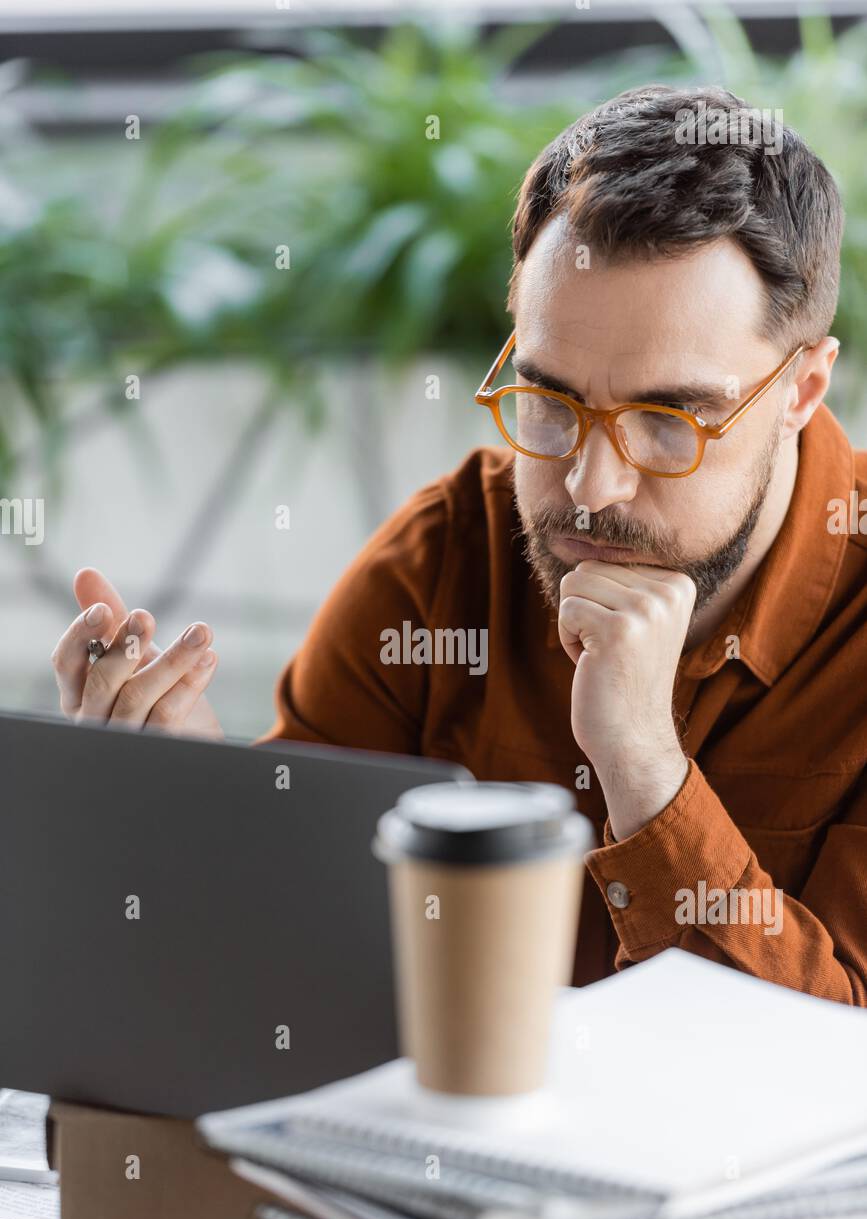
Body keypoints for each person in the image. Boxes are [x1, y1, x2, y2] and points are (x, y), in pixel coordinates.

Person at [50, 87, 867, 1003]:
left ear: (802, 389)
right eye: (549, 401)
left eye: (670, 419)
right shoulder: (442, 563)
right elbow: (291, 975)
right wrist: (196, 808)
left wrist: (643, 768)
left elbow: (835, 1072)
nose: (591, 489)